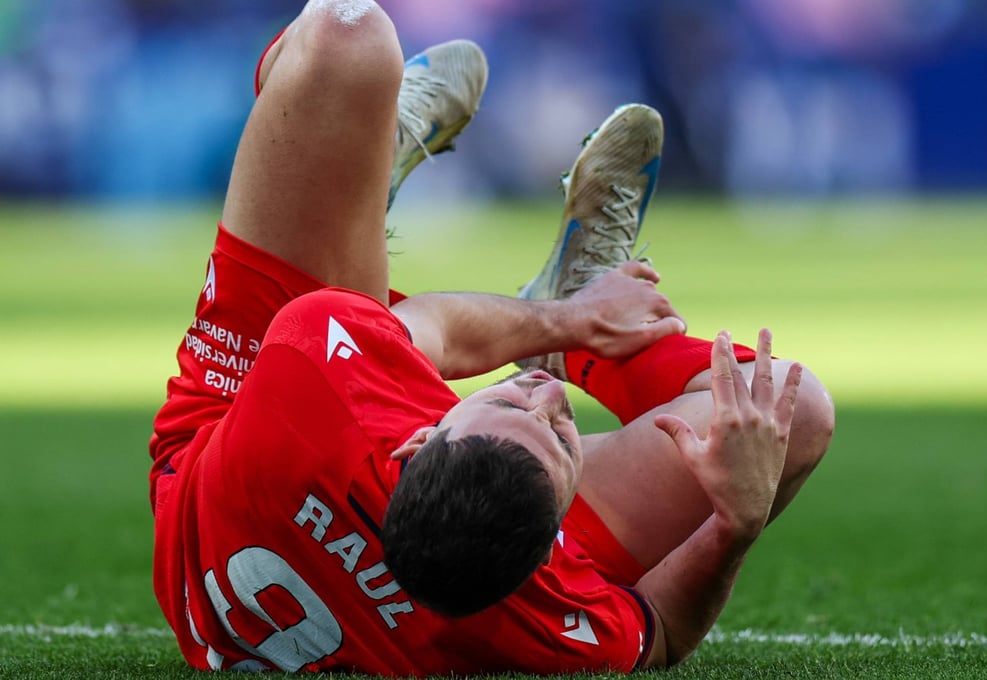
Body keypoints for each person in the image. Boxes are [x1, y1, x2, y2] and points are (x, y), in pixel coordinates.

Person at [149, 1, 835, 675]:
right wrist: (733, 526)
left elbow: (433, 328)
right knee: (790, 413)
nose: (546, 398)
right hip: (362, 462)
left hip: (239, 418)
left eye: (510, 403)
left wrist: (577, 317)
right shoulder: (542, 617)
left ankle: (367, 179)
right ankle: (565, 325)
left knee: (345, 33)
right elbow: (657, 630)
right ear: (554, 545)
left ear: (419, 441)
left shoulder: (312, 387)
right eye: (561, 436)